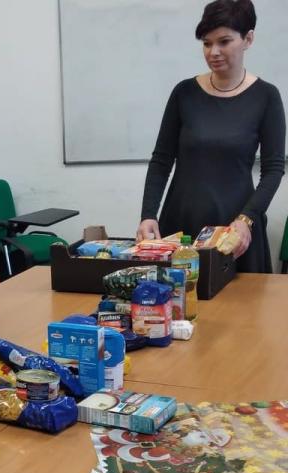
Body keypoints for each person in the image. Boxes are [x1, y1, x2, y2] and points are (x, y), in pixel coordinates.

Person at [137, 0, 285, 272]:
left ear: (248, 39)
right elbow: (161, 160)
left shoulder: (266, 97)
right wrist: (148, 215)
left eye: (224, 41)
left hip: (234, 229)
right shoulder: (184, 93)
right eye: (206, 43)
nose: (213, 52)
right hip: (181, 224)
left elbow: (274, 169)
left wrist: (247, 218)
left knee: (240, 311)